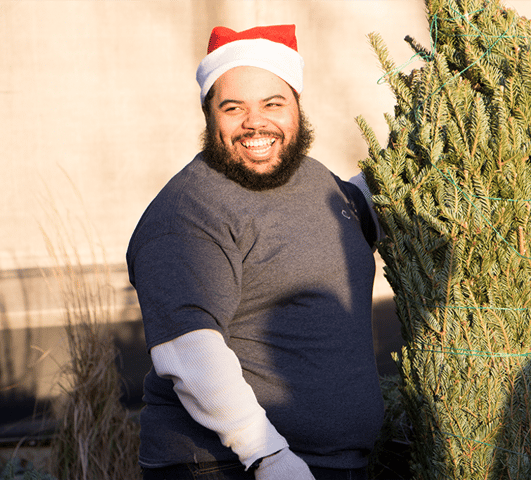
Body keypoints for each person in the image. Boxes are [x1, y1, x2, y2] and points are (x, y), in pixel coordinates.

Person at [126, 24, 384, 480]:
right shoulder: (188, 212)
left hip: (331, 463)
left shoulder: (313, 179)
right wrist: (267, 456)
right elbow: (189, 352)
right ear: (209, 115)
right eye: (233, 108)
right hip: (228, 466)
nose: (255, 123)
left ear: (297, 109)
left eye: (272, 104)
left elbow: (364, 206)